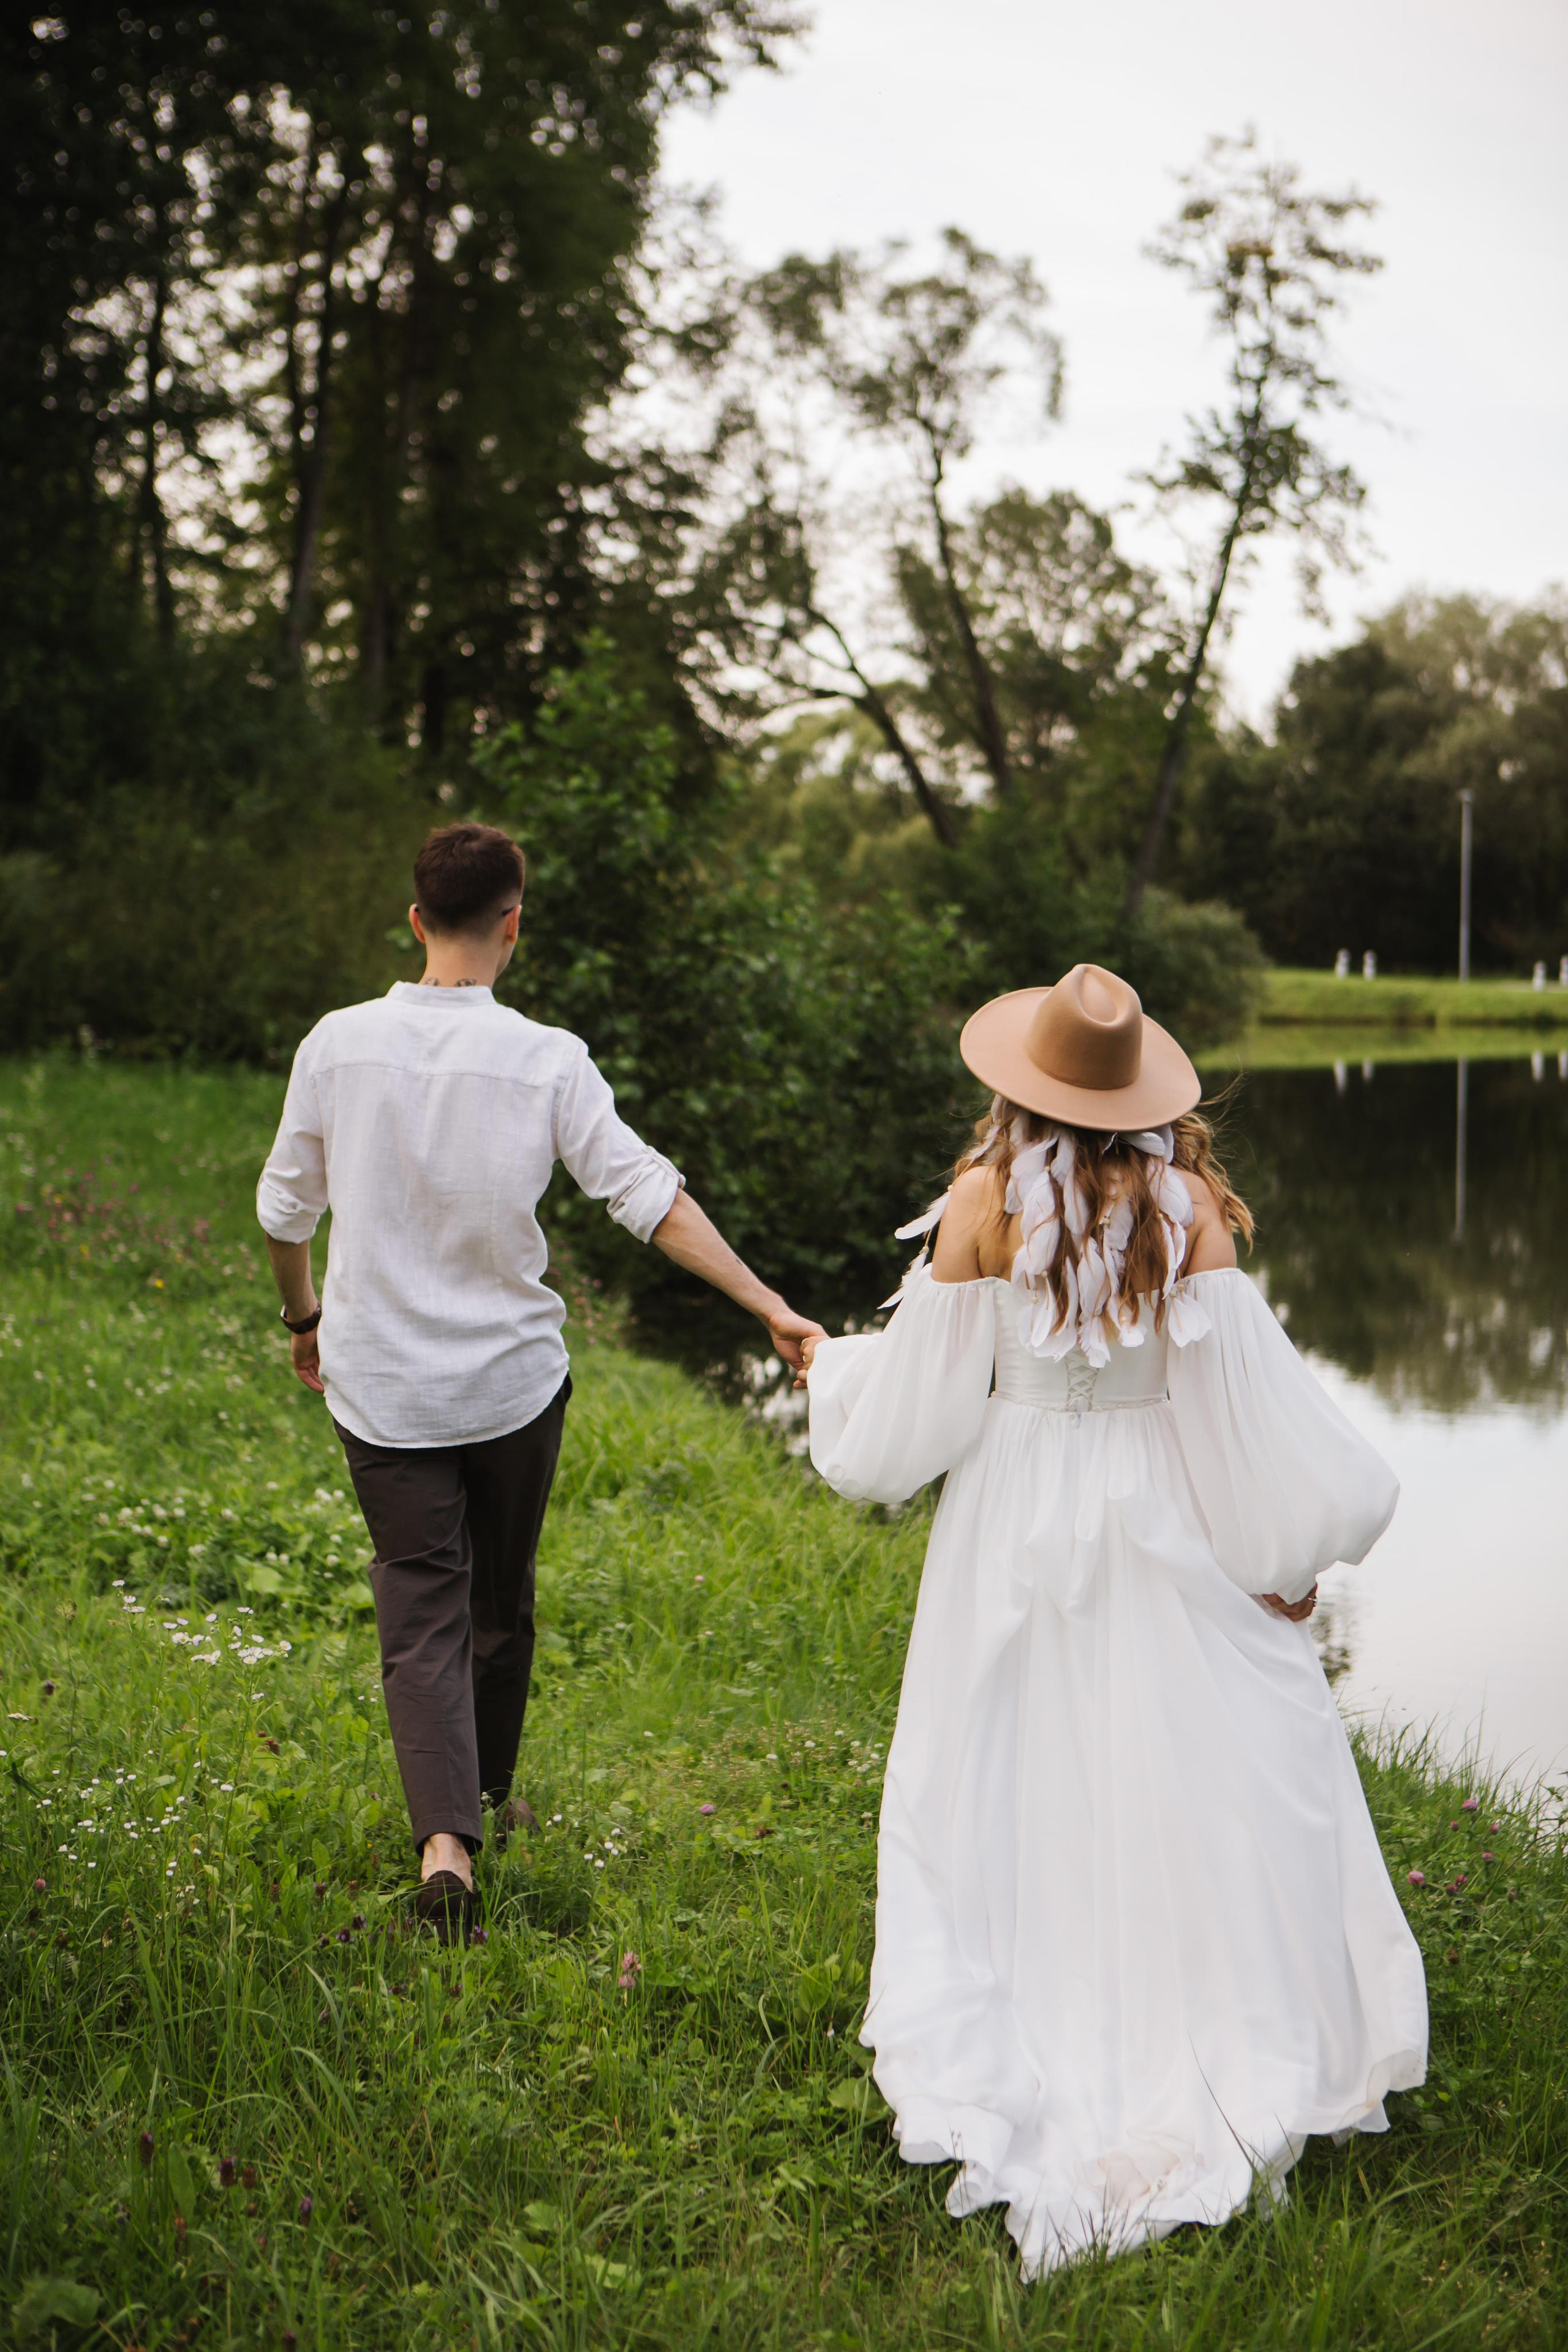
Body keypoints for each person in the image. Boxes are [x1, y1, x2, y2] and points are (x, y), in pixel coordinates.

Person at [801, 963, 1428, 2278]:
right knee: (1184, 1765)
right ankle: (1203, 2018)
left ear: (1018, 1087)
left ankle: (1033, 1999)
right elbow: (1234, 1411)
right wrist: (1276, 1558)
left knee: (1007, 1760)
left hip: (1012, 1519)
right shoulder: (1187, 1205)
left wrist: (837, 1376)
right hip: (1154, 1505)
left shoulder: (975, 1205)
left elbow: (920, 1416)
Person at [257, 822, 824, 1942]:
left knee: (419, 1607)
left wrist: (304, 1316)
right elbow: (645, 1194)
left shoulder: (337, 1043)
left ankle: (446, 1848)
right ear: (513, 923)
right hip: (513, 1388)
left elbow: (283, 1212)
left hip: (381, 1388)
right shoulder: (547, 1058)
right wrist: (766, 1302)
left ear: (417, 920)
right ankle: (475, 1809)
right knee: (498, 1606)